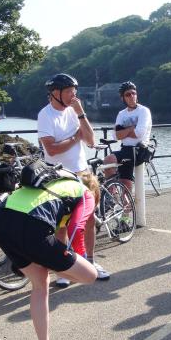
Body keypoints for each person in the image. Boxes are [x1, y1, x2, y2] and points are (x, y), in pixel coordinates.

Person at [0, 172, 100, 340]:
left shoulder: (54, 185)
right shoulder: (85, 194)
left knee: (40, 285)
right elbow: (77, 227)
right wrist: (83, 259)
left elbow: (60, 233)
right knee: (90, 275)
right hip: (31, 227)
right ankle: (38, 263)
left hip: (2, 223)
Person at [37, 73, 109, 285]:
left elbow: (90, 139)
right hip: (58, 175)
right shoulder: (45, 115)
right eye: (68, 91)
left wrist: (80, 113)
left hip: (82, 172)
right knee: (61, 224)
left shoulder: (74, 112)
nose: (73, 95)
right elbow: (51, 148)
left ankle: (90, 262)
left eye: (74, 91)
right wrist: (74, 138)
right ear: (55, 93)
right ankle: (63, 269)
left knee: (87, 220)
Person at [103, 81, 152, 192]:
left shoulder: (144, 111)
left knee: (108, 159)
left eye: (133, 93)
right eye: (128, 94)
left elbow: (139, 133)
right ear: (123, 98)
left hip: (139, 150)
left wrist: (123, 131)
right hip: (125, 149)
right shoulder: (122, 114)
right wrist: (131, 128)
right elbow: (116, 136)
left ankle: (110, 197)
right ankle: (125, 205)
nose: (131, 96)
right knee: (126, 182)